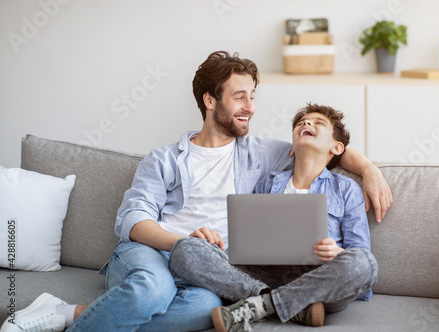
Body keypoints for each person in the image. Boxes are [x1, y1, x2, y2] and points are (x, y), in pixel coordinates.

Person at [0, 51, 391, 332]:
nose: (250, 107)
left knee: (204, 310)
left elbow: (318, 148)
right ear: (210, 100)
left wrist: (368, 169)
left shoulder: (261, 153)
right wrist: (182, 240)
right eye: (240, 96)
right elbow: (132, 221)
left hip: (212, 271)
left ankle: (74, 314)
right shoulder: (165, 159)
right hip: (155, 251)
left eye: (253, 96)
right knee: (151, 290)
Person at [168, 103, 377, 332]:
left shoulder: (346, 189)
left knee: (364, 264)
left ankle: (261, 305)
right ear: (292, 149)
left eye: (318, 123)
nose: (306, 123)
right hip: (264, 276)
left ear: (336, 148)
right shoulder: (269, 181)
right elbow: (249, 238)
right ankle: (287, 305)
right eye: (301, 123)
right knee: (184, 249)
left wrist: (338, 254)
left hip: (320, 280)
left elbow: (361, 250)